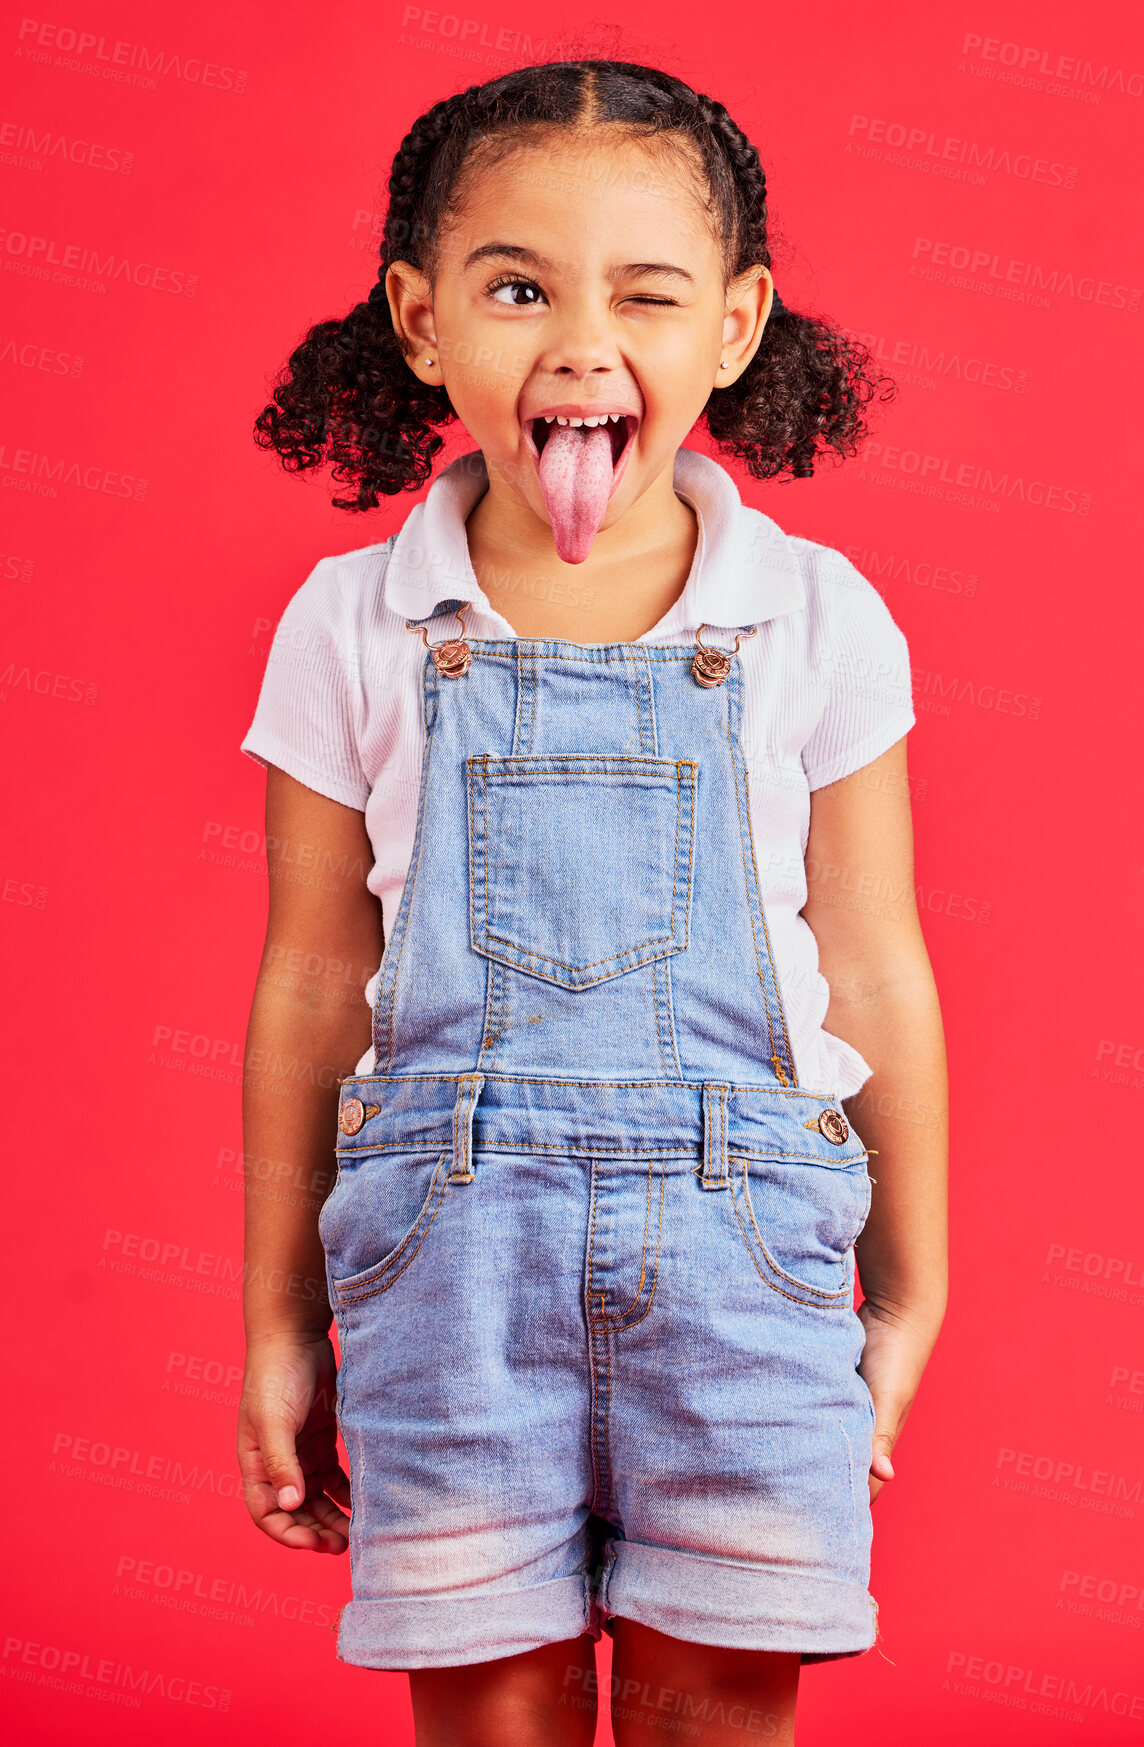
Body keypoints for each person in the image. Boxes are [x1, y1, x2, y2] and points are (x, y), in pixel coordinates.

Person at [236, 59, 948, 1746]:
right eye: (515, 289)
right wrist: (277, 1317)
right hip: (445, 1266)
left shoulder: (816, 615)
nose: (578, 340)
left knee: (720, 1714)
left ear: (737, 323)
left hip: (748, 1257)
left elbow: (875, 962)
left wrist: (914, 1284)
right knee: (490, 1719)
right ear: (418, 321)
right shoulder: (352, 623)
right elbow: (311, 981)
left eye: (646, 293)